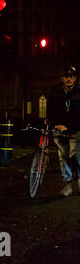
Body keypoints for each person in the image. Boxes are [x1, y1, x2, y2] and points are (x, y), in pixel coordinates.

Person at [47, 65, 80, 197]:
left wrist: (69, 127)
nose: (69, 79)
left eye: (72, 76)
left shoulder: (78, 92)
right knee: (63, 157)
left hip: (75, 130)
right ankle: (68, 185)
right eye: (66, 76)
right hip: (59, 129)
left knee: (75, 155)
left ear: (75, 78)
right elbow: (50, 110)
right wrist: (55, 123)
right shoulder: (55, 92)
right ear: (61, 78)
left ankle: (78, 180)